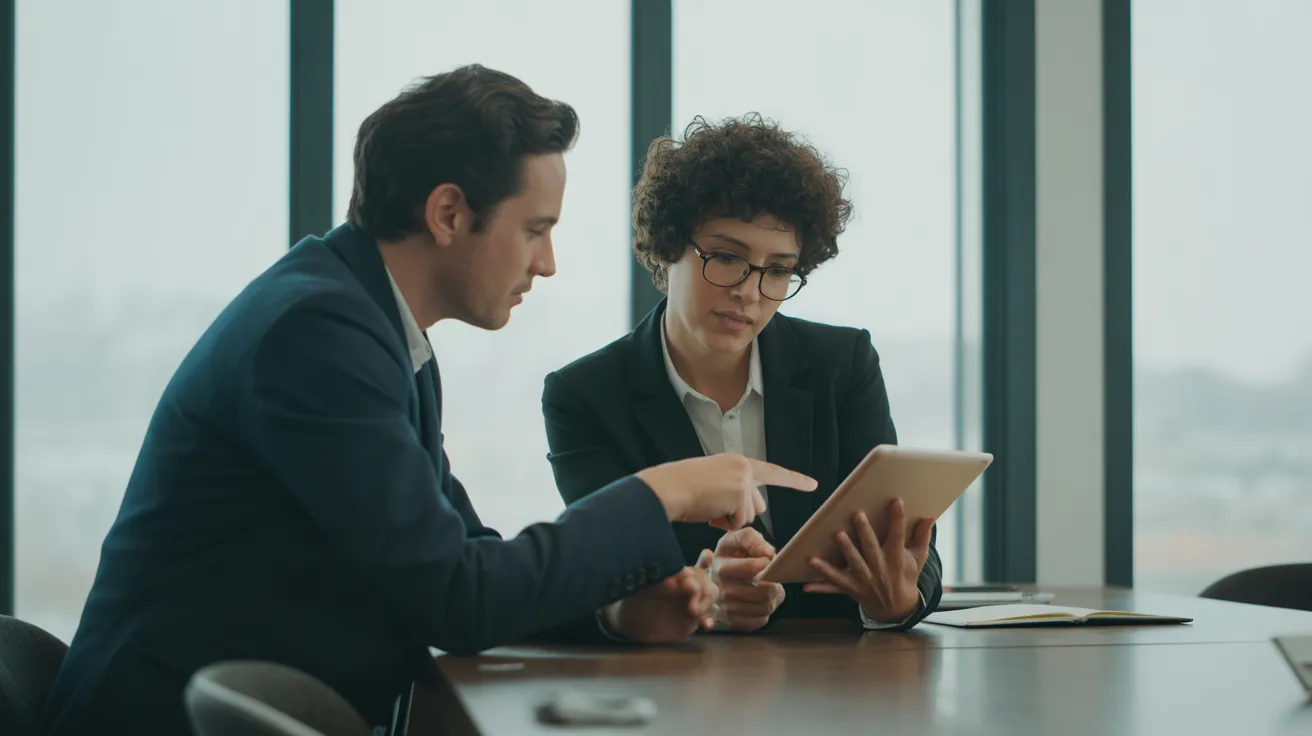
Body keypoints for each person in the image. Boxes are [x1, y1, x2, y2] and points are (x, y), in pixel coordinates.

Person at [39, 68, 816, 736]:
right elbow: (457, 600)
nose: (547, 263)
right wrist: (664, 490)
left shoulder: (371, 327)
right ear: (449, 214)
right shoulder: (318, 335)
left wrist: (613, 613)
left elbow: (466, 557)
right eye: (535, 230)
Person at [542, 114, 942, 633]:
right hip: (679, 689)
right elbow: (610, 579)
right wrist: (705, 600)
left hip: (844, 685)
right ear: (667, 246)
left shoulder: (842, 365)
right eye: (727, 257)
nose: (750, 292)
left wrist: (894, 604)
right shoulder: (585, 396)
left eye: (778, 270)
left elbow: (910, 547)